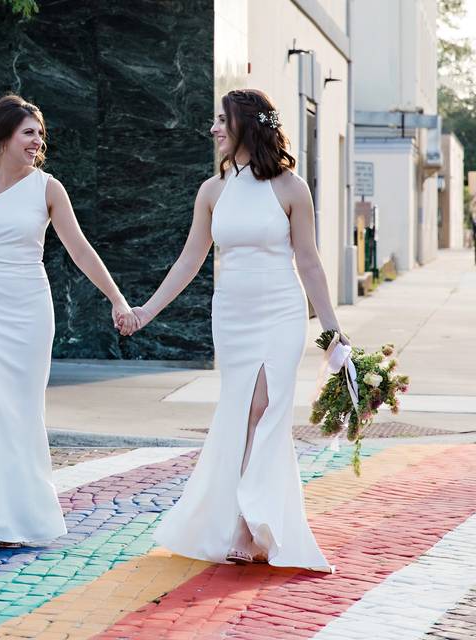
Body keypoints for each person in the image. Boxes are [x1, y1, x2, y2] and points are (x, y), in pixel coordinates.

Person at [122, 89, 345, 572]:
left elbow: (307, 260)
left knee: (264, 407)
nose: (214, 128)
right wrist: (146, 311)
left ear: (247, 124)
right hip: (233, 315)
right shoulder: (212, 190)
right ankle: (249, 514)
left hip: (281, 311)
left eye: (222, 120)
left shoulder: (290, 187)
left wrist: (331, 329)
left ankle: (248, 523)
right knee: (242, 412)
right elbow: (190, 260)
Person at [0, 94, 137, 550]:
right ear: (1, 136)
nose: (38, 140)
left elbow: (79, 249)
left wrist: (117, 299)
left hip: (29, 310)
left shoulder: (48, 188)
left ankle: (23, 517)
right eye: (29, 132)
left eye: (40, 133)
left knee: (20, 413)